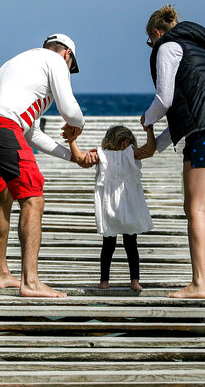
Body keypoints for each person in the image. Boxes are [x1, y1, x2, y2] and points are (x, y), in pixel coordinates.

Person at [135, 5, 205, 299]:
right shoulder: (198, 51)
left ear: (156, 33)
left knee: (195, 208)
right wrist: (155, 147)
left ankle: (198, 284)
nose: (152, 46)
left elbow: (163, 100)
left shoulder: (167, 47)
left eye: (150, 41)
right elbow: (187, 113)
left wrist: (146, 119)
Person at [0, 33, 91, 298]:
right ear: (67, 55)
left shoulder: (21, 62)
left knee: (3, 196)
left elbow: (30, 133)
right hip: (2, 125)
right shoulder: (55, 61)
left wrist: (73, 157)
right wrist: (78, 126)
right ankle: (30, 282)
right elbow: (70, 110)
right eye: (71, 66)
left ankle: (1, 273)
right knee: (33, 199)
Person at [67, 125, 155, 291]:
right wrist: (149, 129)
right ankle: (135, 281)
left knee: (108, 245)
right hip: (129, 205)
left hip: (108, 205)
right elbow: (150, 150)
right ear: (127, 141)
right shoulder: (132, 154)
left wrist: (72, 141)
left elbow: (79, 158)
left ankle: (104, 281)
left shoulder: (100, 155)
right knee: (131, 245)